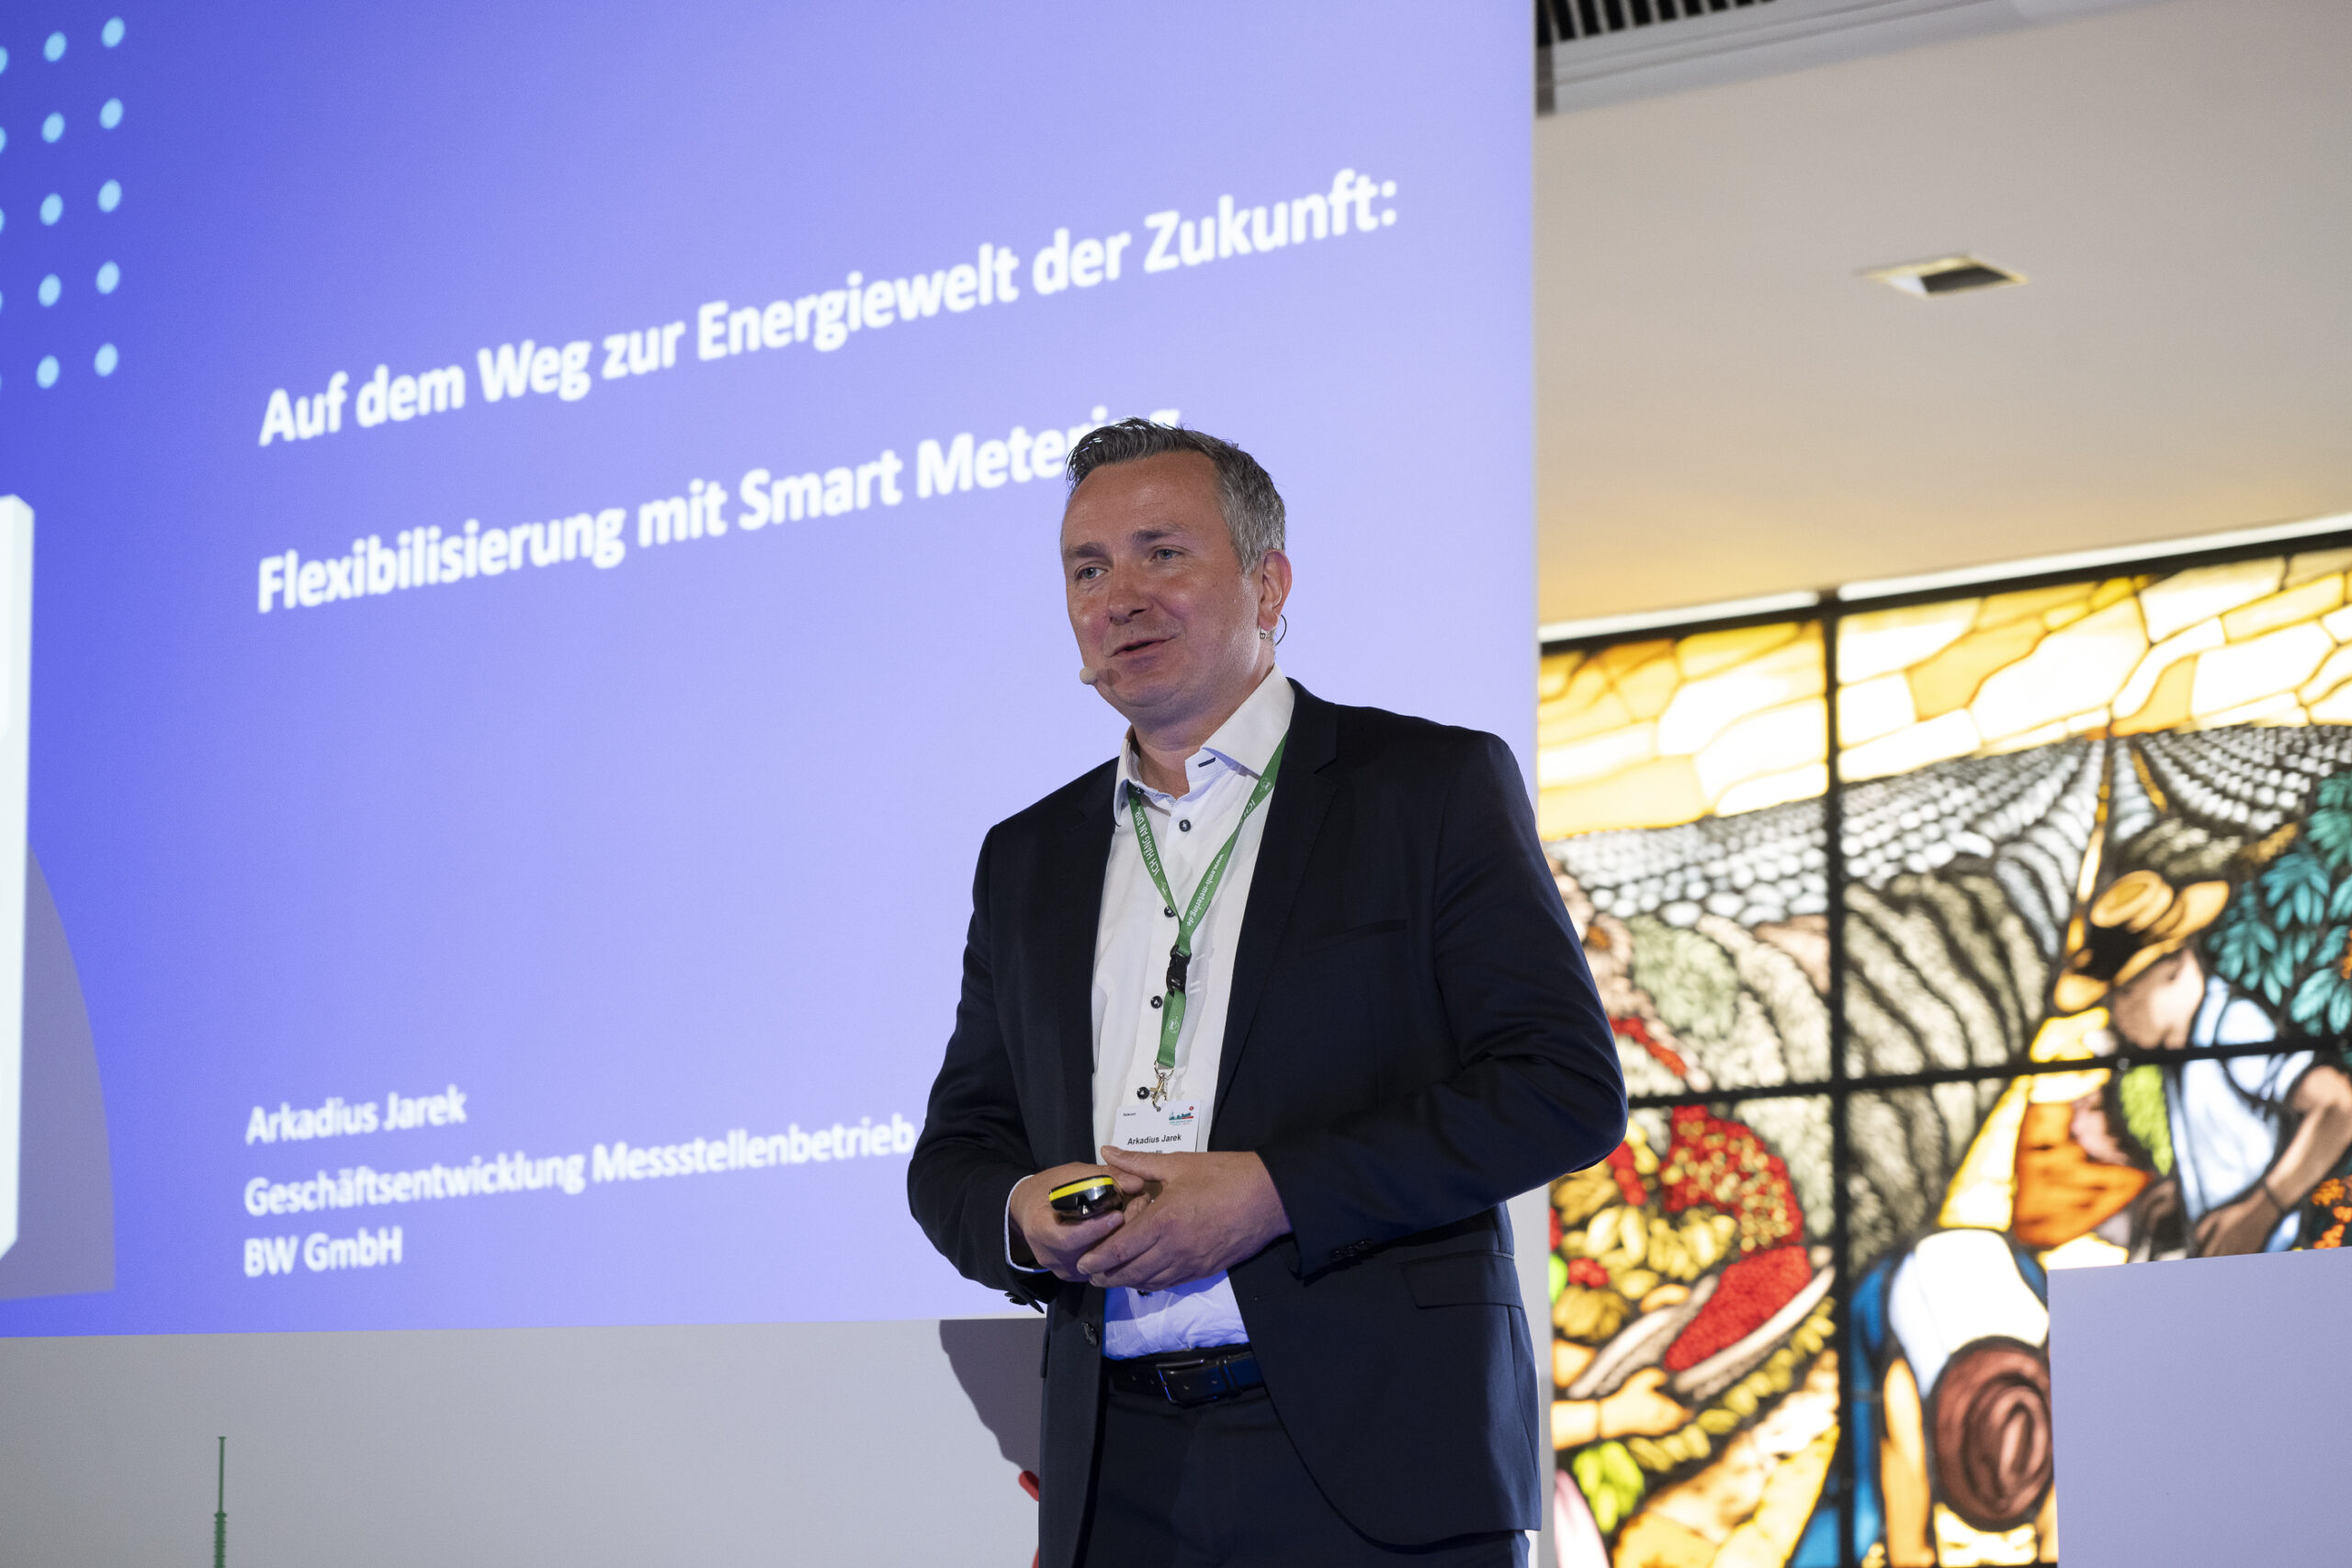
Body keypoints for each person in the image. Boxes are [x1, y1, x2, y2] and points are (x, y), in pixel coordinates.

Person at [908, 421, 1625, 1568]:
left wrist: (1274, 1193)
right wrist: (1023, 1217)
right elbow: (955, 1154)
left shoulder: (1425, 788)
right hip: (1118, 1477)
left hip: (1381, 1460)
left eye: (1161, 553)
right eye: (1087, 569)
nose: (1119, 597)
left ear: (1269, 583)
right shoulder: (1027, 856)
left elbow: (1561, 1090)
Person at [2053, 870, 2352, 1257]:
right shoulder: (2182, 1049)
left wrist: (2260, 1210)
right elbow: (2239, 1144)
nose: (2118, 1013)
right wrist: (2186, 1193)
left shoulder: (2231, 1028)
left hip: (2294, 1265)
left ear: (2174, 967)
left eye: (2126, 992)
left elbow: (2340, 1106)